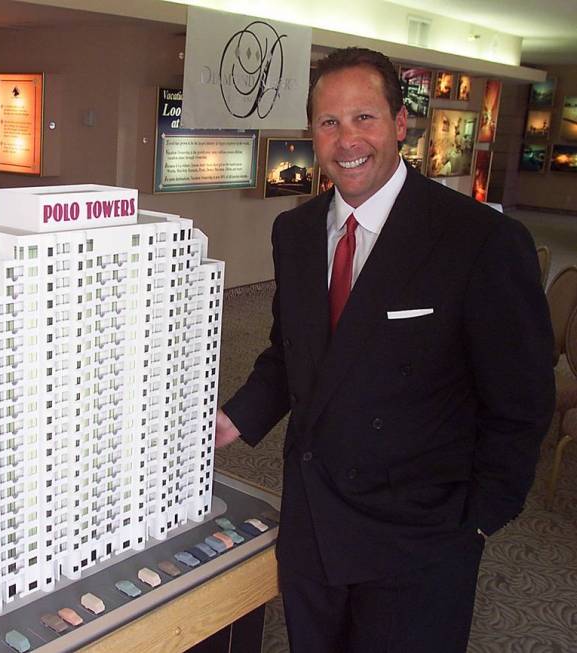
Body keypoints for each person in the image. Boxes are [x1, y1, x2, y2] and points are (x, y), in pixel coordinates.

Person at [216, 47, 554, 653]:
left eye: (364, 118)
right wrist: (230, 421)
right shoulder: (294, 233)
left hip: (419, 537)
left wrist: (476, 518)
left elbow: (522, 396)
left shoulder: (480, 240)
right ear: (312, 134)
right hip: (315, 521)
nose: (347, 140)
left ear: (400, 124)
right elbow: (291, 352)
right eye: (329, 122)